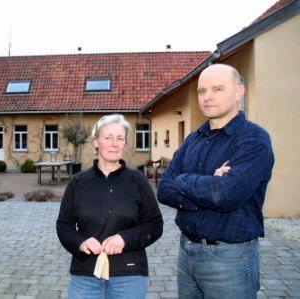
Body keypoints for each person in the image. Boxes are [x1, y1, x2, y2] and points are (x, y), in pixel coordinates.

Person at [157, 64, 274, 299]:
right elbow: (164, 190)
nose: (207, 97)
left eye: (217, 89)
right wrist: (208, 184)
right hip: (186, 254)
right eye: (202, 91)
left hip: (229, 259)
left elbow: (226, 195)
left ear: (239, 92)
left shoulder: (254, 140)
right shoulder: (193, 139)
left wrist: (185, 181)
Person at [56, 114, 163, 299]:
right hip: (85, 274)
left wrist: (124, 239)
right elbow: (64, 226)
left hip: (129, 274)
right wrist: (80, 243)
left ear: (124, 143)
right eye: (108, 137)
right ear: (96, 142)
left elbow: (155, 225)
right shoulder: (78, 182)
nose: (115, 143)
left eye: (120, 138)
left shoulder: (137, 181)